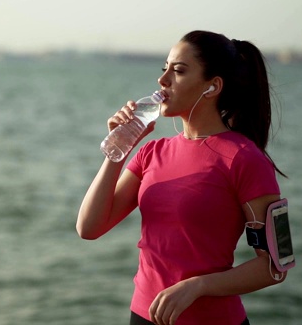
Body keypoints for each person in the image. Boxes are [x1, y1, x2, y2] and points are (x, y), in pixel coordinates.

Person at [76, 30, 289, 325]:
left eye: (178, 71)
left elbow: (275, 266)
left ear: (212, 87)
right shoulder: (151, 152)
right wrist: (119, 146)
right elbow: (89, 227)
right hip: (142, 317)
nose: (163, 81)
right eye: (164, 69)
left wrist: (199, 286)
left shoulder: (244, 159)